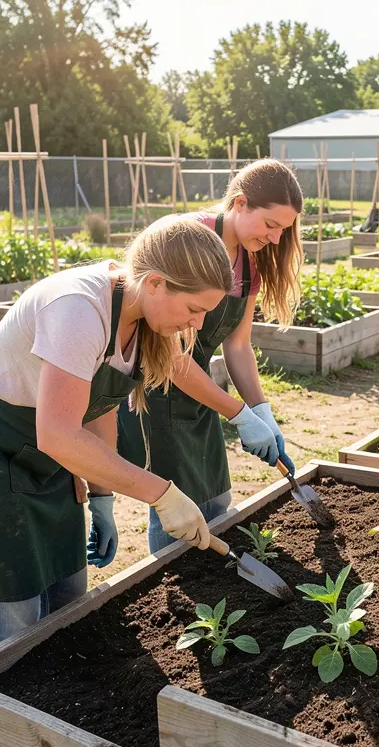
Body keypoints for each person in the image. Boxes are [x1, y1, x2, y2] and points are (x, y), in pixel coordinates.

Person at [0, 216, 233, 747]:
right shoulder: (80, 308)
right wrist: (159, 491)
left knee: (69, 605)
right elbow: (58, 433)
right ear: (154, 282)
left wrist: (99, 498)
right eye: (189, 310)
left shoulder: (141, 323)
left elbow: (97, 409)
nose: (193, 328)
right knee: (15, 616)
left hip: (49, 449)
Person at [118, 160, 304, 553]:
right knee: (177, 509)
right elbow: (172, 355)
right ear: (240, 203)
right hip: (158, 387)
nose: (275, 239)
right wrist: (238, 413)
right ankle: (174, 583)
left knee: (215, 496)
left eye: (283, 231)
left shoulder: (251, 262)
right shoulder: (193, 239)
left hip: (199, 391)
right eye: (270, 225)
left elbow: (237, 345)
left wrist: (261, 410)